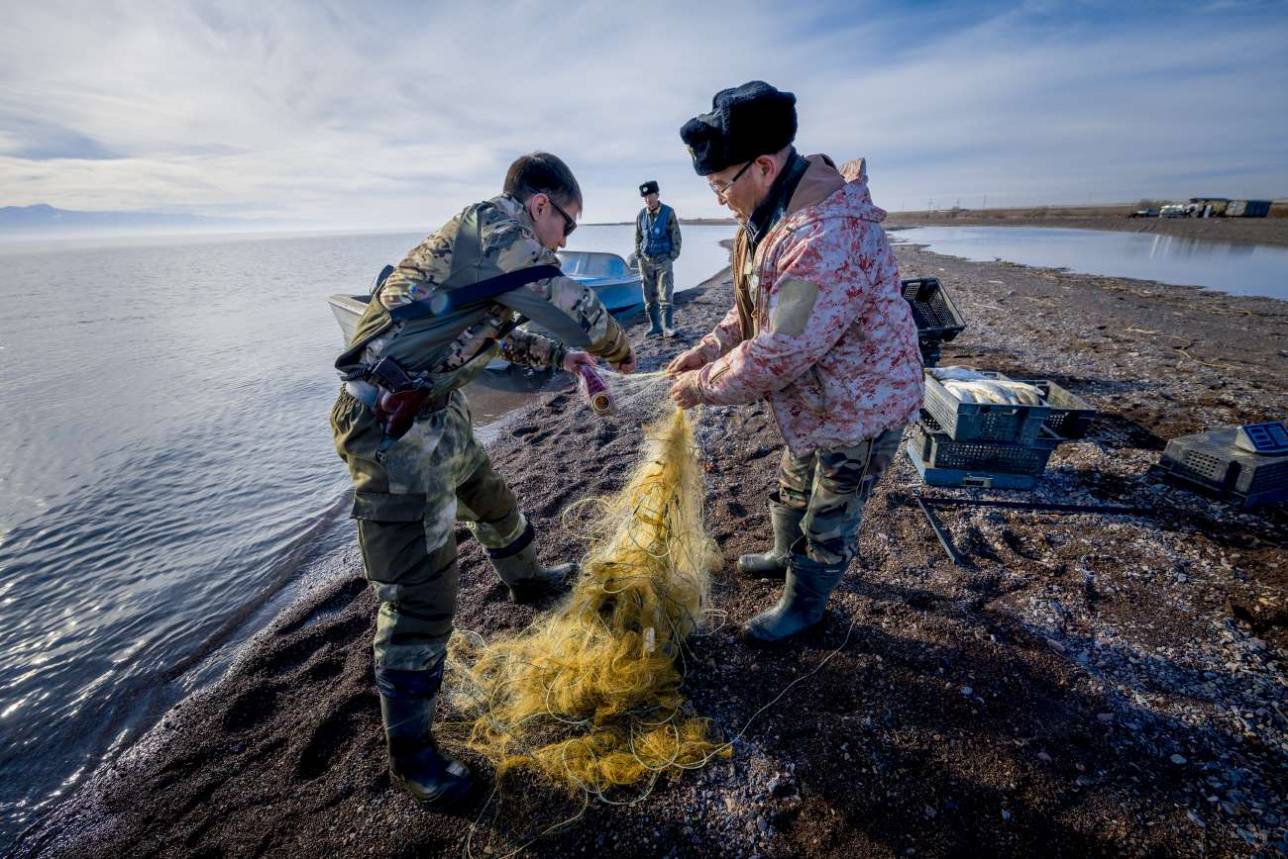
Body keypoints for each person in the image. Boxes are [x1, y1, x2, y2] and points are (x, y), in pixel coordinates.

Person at [330, 152, 635, 807]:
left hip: (440, 412)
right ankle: (412, 756)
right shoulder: (490, 225)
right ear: (539, 206)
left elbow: (499, 333)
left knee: (494, 503)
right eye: (568, 227)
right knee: (420, 598)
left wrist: (568, 355)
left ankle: (528, 582)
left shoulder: (495, 256)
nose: (564, 243)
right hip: (391, 431)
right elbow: (554, 292)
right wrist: (614, 344)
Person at [666, 81, 923, 645]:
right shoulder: (771, 214)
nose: (719, 200)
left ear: (761, 165)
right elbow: (757, 307)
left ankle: (805, 605)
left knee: (830, 509)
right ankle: (784, 553)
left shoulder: (825, 235)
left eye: (720, 185)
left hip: (861, 403)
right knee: (794, 477)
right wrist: (709, 348)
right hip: (820, 396)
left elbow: (782, 346)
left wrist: (703, 385)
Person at [634, 179, 682, 337]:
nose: (648, 199)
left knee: (665, 293)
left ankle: (667, 327)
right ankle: (655, 327)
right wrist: (638, 255)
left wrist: (672, 256)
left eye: (651, 195)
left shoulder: (668, 212)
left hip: (663, 259)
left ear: (657, 195)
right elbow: (638, 236)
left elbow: (676, 236)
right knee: (648, 295)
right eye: (645, 197)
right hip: (645, 261)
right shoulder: (641, 214)